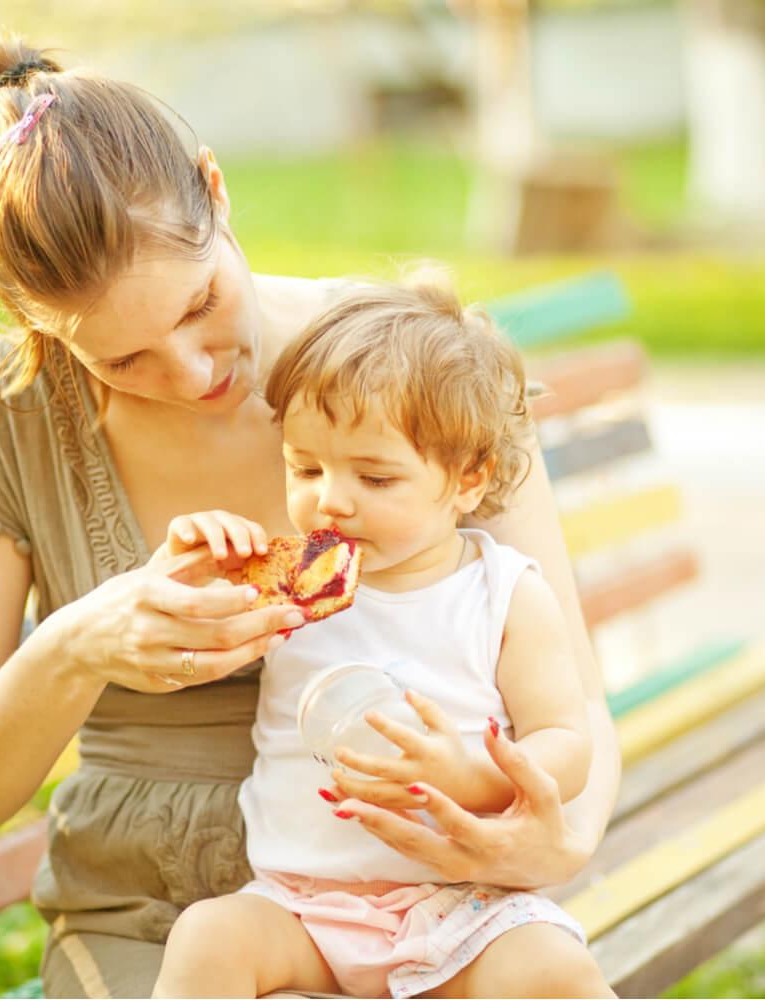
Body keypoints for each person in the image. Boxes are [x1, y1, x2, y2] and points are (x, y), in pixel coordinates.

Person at [0, 30, 622, 999]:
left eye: (201, 303)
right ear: (38, 324)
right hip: (162, 919)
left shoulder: (410, 374)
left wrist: (541, 842)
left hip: (436, 895)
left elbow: (575, 707)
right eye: (121, 359)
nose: (192, 373)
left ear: (217, 189)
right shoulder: (6, 415)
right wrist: (82, 643)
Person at [150, 278, 613, 999]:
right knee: (208, 938)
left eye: (375, 475)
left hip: (463, 909)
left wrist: (476, 776)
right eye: (305, 467)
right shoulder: (288, 581)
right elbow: (183, 644)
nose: (331, 499)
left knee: (552, 969)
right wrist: (194, 570)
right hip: (303, 904)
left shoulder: (502, 593)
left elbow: (567, 741)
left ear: (467, 478)